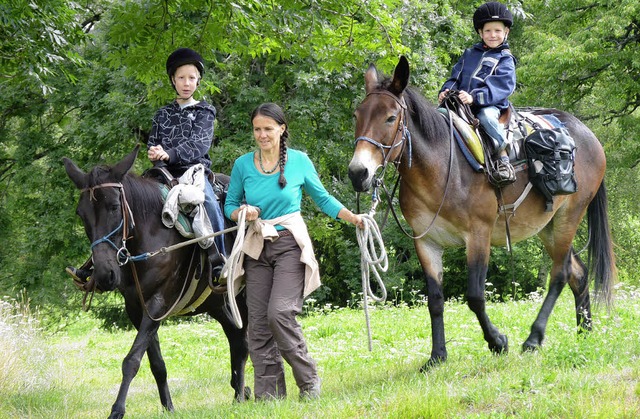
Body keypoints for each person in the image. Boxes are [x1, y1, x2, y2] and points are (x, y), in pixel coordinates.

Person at [224, 103, 363, 401]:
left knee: (280, 313)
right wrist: (242, 212)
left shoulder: (299, 161)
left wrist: (352, 218)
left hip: (289, 245)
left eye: (268, 129)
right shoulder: (242, 165)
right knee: (259, 324)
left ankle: (308, 381)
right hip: (257, 246)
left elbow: (323, 199)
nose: (262, 135)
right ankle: (269, 396)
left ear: (282, 129)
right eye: (257, 129)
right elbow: (229, 205)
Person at [67, 47, 226, 285]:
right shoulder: (162, 114)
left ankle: (220, 260)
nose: (186, 83)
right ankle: (94, 263)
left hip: (193, 172)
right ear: (173, 80)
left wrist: (168, 153)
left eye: (192, 78)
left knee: (209, 203)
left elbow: (199, 146)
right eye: (181, 78)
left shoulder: (205, 111)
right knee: (124, 206)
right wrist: (155, 152)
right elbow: (154, 142)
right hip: (162, 174)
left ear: (198, 80)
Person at [438, 1, 517, 184]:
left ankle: (503, 154)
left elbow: (503, 86)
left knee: (486, 118)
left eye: (497, 30)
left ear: (506, 32)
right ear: (480, 33)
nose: (493, 35)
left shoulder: (505, 59)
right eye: (488, 31)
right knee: (438, 118)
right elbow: (455, 76)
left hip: (490, 105)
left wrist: (474, 97)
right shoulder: (469, 54)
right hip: (461, 103)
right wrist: (446, 90)